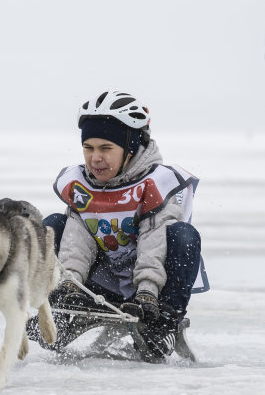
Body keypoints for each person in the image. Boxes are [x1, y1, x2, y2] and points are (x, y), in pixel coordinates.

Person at [41, 90, 208, 361]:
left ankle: (164, 324)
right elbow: (77, 238)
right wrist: (70, 283)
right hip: (102, 283)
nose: (95, 158)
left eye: (106, 148)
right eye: (89, 148)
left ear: (130, 149)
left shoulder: (155, 183)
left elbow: (154, 243)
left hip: (152, 292)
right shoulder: (81, 184)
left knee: (184, 235)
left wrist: (146, 294)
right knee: (53, 226)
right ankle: (63, 311)